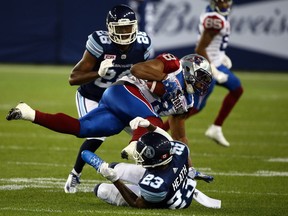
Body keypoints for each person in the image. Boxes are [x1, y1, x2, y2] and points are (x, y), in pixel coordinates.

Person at [6, 53, 213, 182]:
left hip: (128, 113)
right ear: (188, 70)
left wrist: (191, 169)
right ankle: (133, 145)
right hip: (124, 91)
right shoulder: (172, 65)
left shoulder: (188, 102)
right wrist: (164, 78)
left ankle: (29, 113)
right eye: (202, 78)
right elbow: (136, 69)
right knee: (154, 123)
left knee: (82, 128)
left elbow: (179, 139)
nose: (203, 84)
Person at [65, 4, 153, 193]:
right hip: (92, 96)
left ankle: (153, 177)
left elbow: (143, 76)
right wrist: (98, 72)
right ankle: (75, 173)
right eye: (119, 28)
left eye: (127, 27)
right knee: (97, 134)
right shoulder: (100, 42)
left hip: (120, 98)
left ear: (135, 26)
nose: (124, 33)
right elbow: (73, 78)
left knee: (149, 134)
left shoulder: (143, 43)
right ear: (110, 28)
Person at [81, 116, 221, 209]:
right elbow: (167, 140)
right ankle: (113, 171)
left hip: (163, 195)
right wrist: (149, 125)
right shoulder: (178, 150)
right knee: (113, 166)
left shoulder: (156, 186)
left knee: (101, 189)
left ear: (155, 161)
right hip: (171, 180)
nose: (138, 156)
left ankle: (112, 177)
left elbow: (138, 204)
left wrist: (115, 179)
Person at [163, 0, 243, 147]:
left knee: (237, 89)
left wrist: (221, 55)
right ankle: (159, 130)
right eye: (222, 0)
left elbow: (212, 43)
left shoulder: (215, 13)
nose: (226, 3)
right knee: (193, 107)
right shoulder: (215, 20)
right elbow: (200, 48)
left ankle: (216, 128)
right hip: (208, 67)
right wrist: (214, 69)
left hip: (216, 62)